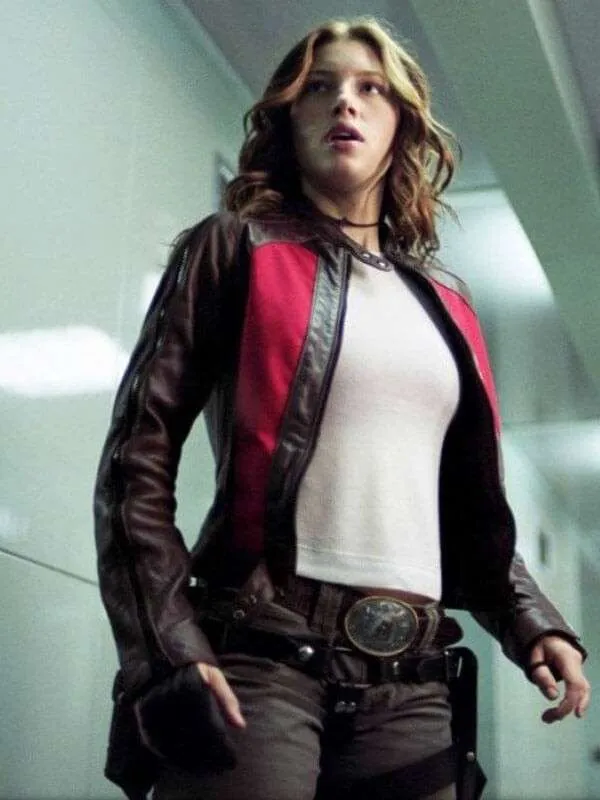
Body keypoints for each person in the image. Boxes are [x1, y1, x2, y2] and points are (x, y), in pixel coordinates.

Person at [94, 16, 590, 800]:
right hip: (260, 654)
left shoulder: (448, 302)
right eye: (318, 88)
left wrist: (532, 620)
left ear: (403, 124)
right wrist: (164, 645)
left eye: (370, 89)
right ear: (288, 118)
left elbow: (467, 507)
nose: (344, 103)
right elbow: (135, 461)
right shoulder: (233, 246)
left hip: (413, 681)